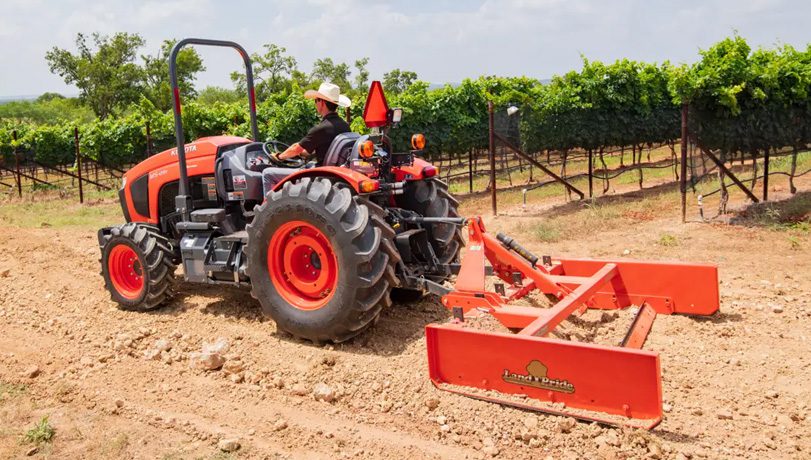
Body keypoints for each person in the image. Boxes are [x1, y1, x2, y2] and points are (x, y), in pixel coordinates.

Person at [262, 82, 352, 194]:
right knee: (308, 164)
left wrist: (279, 157)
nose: (315, 104)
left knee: (267, 173)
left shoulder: (322, 128)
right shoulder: (345, 126)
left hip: (320, 174)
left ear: (322, 102)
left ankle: (268, 209)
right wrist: (305, 153)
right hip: (333, 171)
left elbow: (296, 148)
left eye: (316, 100)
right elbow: (325, 147)